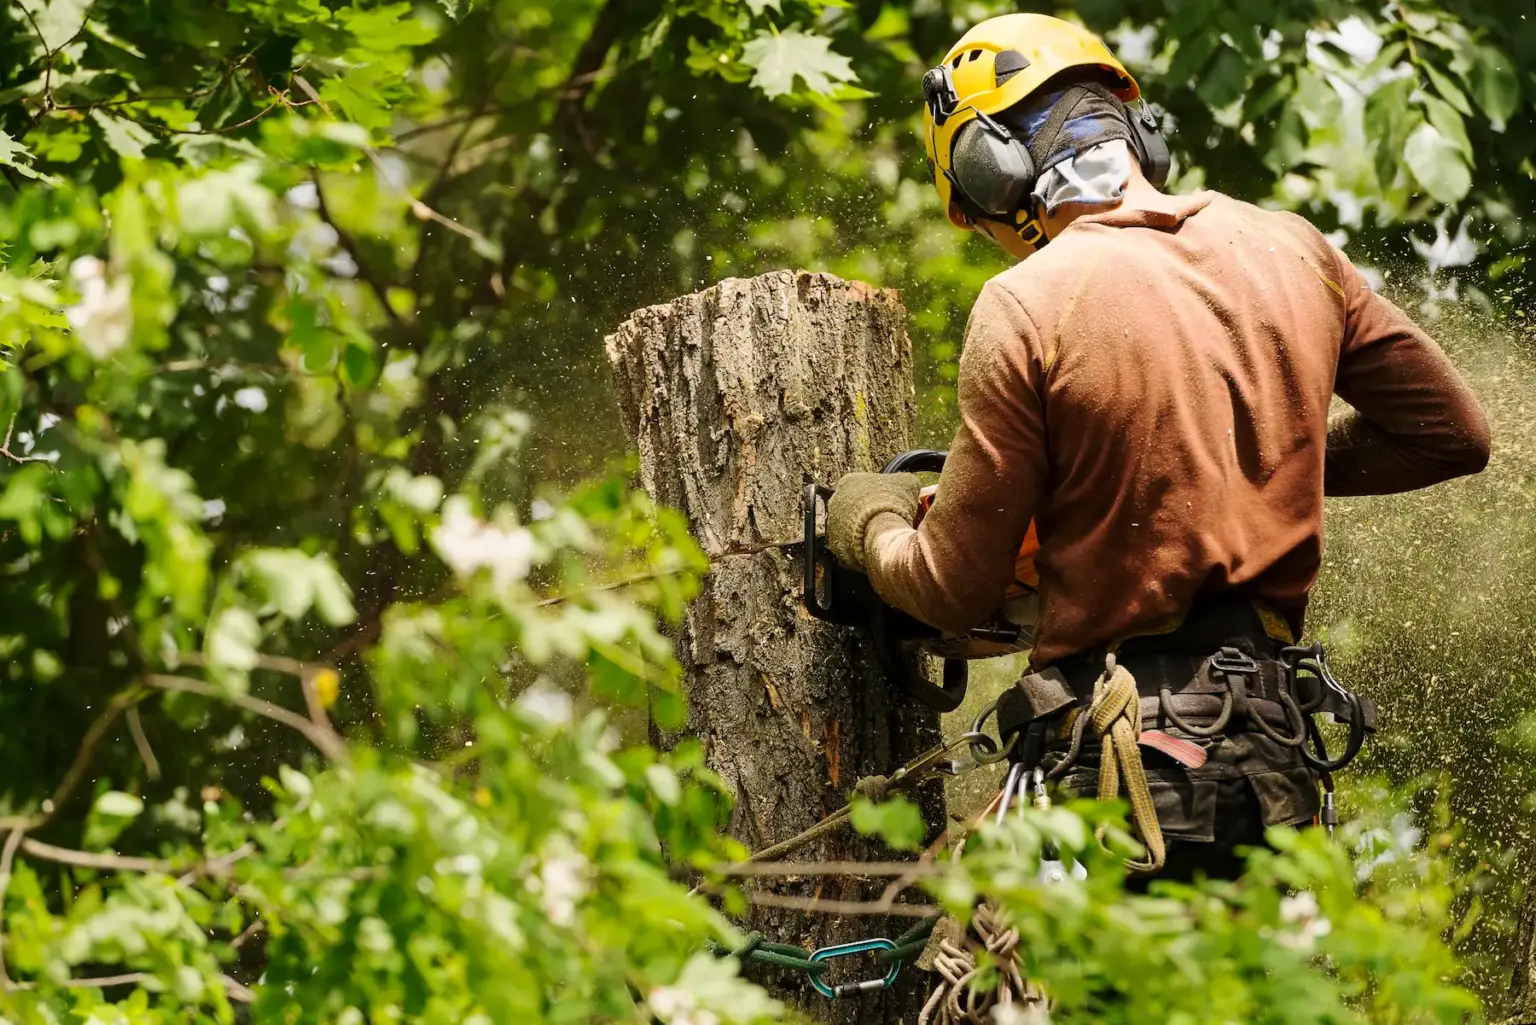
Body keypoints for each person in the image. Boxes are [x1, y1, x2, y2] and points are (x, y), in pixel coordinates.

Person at [824, 13, 1491, 881]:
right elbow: (1452, 433)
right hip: (1277, 756)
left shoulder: (1027, 304)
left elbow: (953, 588)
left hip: (1122, 769)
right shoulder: (1292, 247)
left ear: (993, 173)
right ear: (1135, 128)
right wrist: (1236, 463)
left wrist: (868, 526)